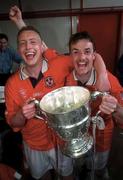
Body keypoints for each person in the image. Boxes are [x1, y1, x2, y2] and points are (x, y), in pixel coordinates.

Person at [6, 5, 118, 180]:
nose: (29, 47)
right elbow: (33, 44)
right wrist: (22, 114)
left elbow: (88, 56)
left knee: (74, 174)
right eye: (23, 44)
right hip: (35, 144)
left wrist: (102, 75)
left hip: (62, 141)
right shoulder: (12, 83)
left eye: (33, 42)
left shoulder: (58, 64)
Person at [63, 31, 123, 180]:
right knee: (78, 168)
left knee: (98, 169)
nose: (82, 57)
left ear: (94, 56)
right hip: (76, 139)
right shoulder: (65, 81)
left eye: (87, 52)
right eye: (76, 52)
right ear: (70, 56)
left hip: (102, 138)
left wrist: (115, 108)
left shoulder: (110, 81)